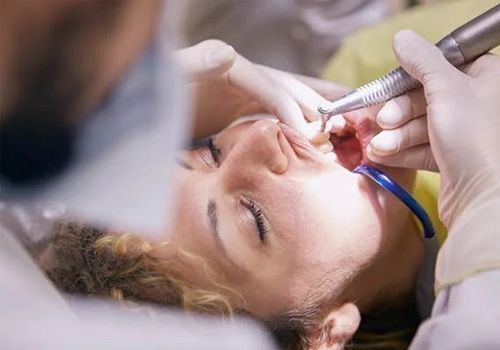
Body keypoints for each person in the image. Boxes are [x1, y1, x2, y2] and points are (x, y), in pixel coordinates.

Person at [39, 30, 500, 350]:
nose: (262, 137)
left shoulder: (369, 59)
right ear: (324, 333)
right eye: (252, 217)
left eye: (209, 151)